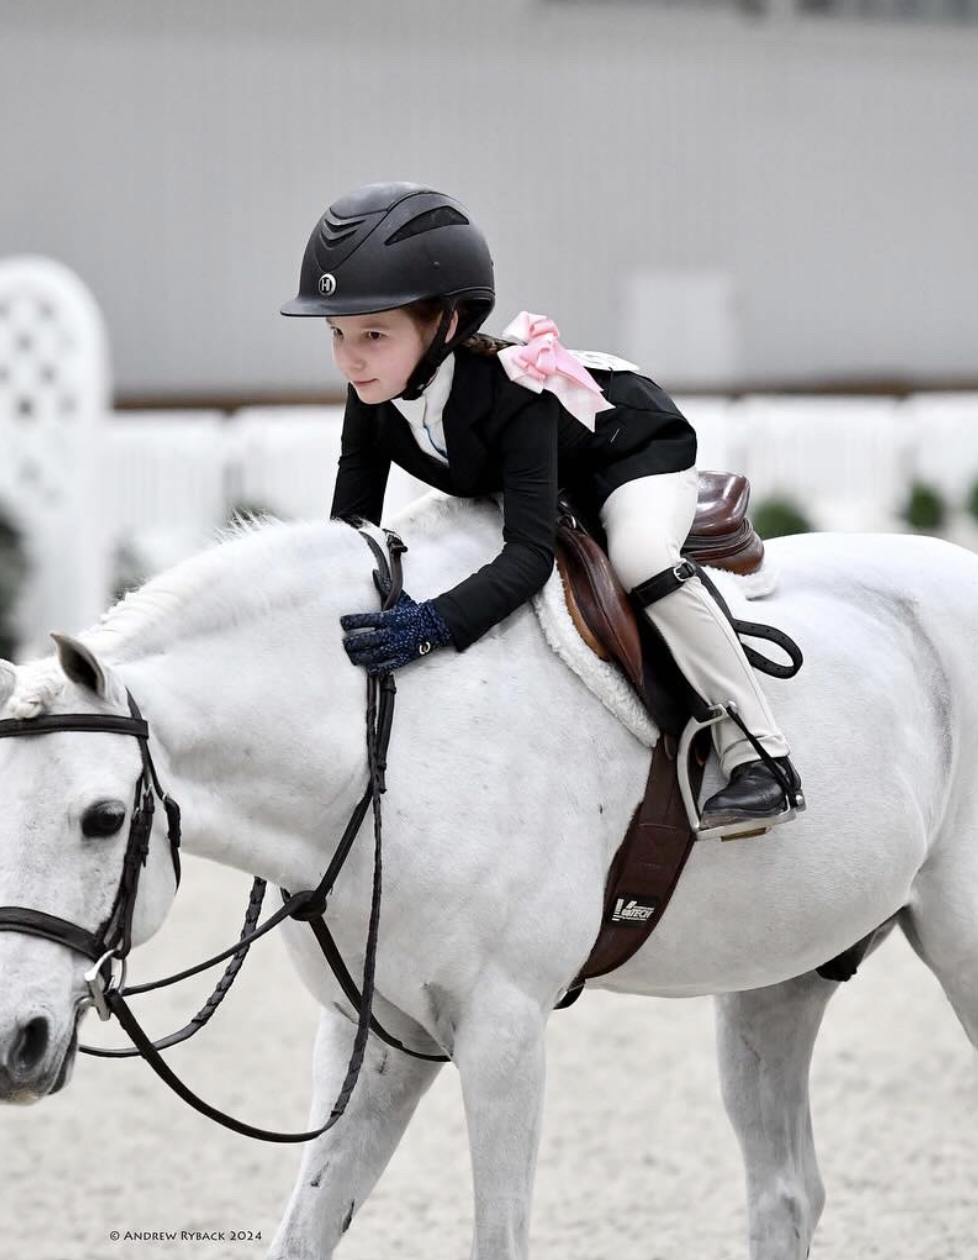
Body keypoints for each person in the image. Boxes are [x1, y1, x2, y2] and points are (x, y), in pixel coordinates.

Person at [281, 181, 802, 833]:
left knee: (638, 554)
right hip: (543, 472)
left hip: (629, 451)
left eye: (374, 335)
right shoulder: (371, 398)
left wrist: (433, 623)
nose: (348, 359)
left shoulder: (515, 393)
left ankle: (762, 757)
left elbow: (527, 556)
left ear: (445, 322)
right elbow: (350, 534)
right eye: (336, 333)